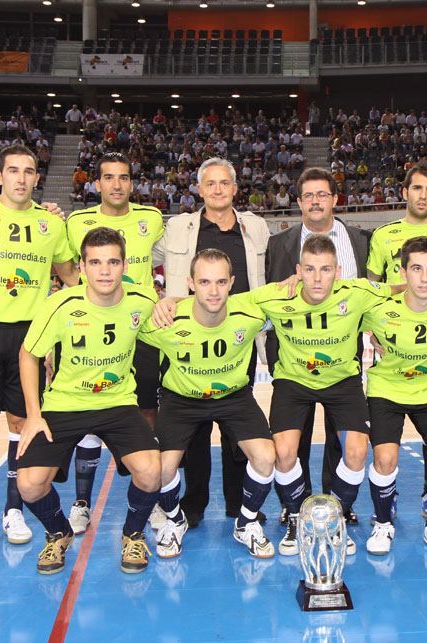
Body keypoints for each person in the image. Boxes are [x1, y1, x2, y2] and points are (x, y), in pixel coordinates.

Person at [0, 144, 78, 550]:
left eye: (28, 171)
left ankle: (13, 511)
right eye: (13, 170)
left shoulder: (51, 223)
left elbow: (70, 275)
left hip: (30, 334)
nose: (21, 178)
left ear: (37, 178)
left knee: (22, 423)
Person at [16, 227, 161, 574]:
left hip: (117, 402)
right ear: (82, 267)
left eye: (112, 262)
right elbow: (28, 354)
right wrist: (34, 415)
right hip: (65, 403)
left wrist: (170, 302)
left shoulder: (142, 300)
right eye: (95, 262)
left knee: (151, 471)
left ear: (125, 265)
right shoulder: (61, 305)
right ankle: (58, 532)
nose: (105, 271)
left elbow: (173, 319)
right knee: (29, 485)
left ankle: (133, 534)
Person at [252, 234, 392, 555]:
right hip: (293, 380)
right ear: (298, 271)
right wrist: (171, 301)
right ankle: (298, 515)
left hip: (342, 381)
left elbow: (404, 288)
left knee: (356, 452)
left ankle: (333, 518)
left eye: (325, 269)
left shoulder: (357, 293)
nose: (317, 278)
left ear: (337, 272)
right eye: (310, 269)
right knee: (283, 452)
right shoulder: (277, 295)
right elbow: (226, 301)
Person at [153, 157, 269, 528]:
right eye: (210, 183)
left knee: (238, 428)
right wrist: (157, 299)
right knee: (194, 432)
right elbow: (137, 256)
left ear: (235, 188)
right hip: (187, 338)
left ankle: (238, 503)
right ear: (199, 189)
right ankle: (194, 504)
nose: (218, 189)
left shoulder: (256, 227)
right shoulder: (178, 228)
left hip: (238, 338)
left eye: (224, 183)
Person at [140, 249, 277, 559]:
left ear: (232, 283)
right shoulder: (166, 320)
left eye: (220, 282)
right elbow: (123, 323)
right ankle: (175, 520)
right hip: (182, 399)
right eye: (204, 282)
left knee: (266, 456)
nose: (213, 291)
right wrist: (166, 301)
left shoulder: (251, 313)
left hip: (233, 396)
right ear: (191, 283)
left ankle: (246, 522)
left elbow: (292, 300)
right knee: (159, 469)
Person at [63, 152, 164, 535]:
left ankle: (149, 499)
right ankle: (81, 503)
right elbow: (65, 265)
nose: (116, 184)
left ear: (132, 183)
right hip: (91, 330)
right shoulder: (76, 222)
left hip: (141, 329)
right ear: (97, 183)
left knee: (147, 411)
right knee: (91, 409)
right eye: (109, 177)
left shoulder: (152, 218)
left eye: (123, 177)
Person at [265, 166, 371, 525]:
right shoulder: (279, 243)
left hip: (342, 352)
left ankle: (336, 503)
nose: (315, 201)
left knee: (343, 438)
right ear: (298, 201)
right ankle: (296, 504)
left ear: (334, 199)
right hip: (292, 355)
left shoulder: (359, 239)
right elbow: (270, 295)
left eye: (322, 194)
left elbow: (375, 292)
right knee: (293, 438)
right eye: (308, 195)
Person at [360, 236, 427, 555]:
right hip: (386, 389)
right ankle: (383, 524)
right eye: (416, 269)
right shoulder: (378, 309)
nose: (424, 278)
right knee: (385, 459)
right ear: (403, 272)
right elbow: (341, 297)